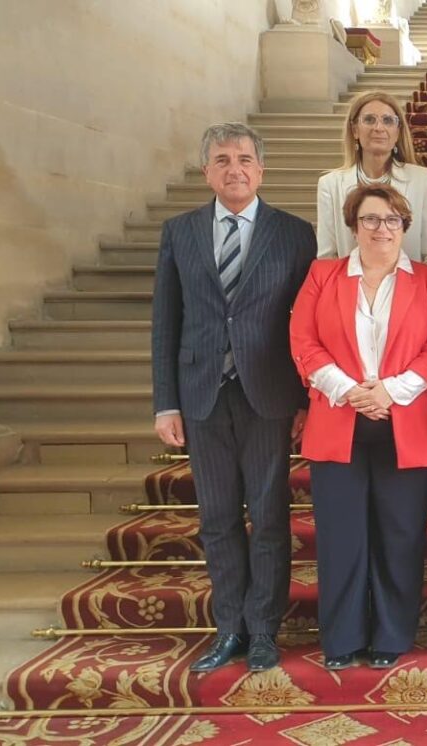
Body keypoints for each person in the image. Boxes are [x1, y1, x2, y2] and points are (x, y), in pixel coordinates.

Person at [151, 123, 316, 672]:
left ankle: (265, 630)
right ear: (207, 172)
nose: (234, 169)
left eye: (244, 159)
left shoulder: (293, 234)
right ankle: (230, 629)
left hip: (266, 393)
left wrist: (304, 400)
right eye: (222, 160)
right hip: (201, 395)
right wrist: (165, 402)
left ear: (261, 169)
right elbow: (165, 322)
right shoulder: (180, 232)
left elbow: (305, 324)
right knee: (218, 517)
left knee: (268, 516)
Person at [290, 185, 427, 670]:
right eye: (370, 219)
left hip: (406, 423)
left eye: (392, 220)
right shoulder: (323, 275)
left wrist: (390, 390)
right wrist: (348, 390)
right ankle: (341, 638)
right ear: (353, 225)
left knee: (400, 537)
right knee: (341, 539)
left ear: (406, 227)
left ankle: (391, 634)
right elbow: (303, 338)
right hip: (338, 420)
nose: (382, 228)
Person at [316, 91, 427, 267]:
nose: (378, 127)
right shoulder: (330, 184)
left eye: (388, 120)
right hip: (350, 288)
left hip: (410, 288)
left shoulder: (421, 179)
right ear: (355, 130)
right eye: (369, 120)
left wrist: (417, 292)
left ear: (398, 132)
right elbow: (327, 257)